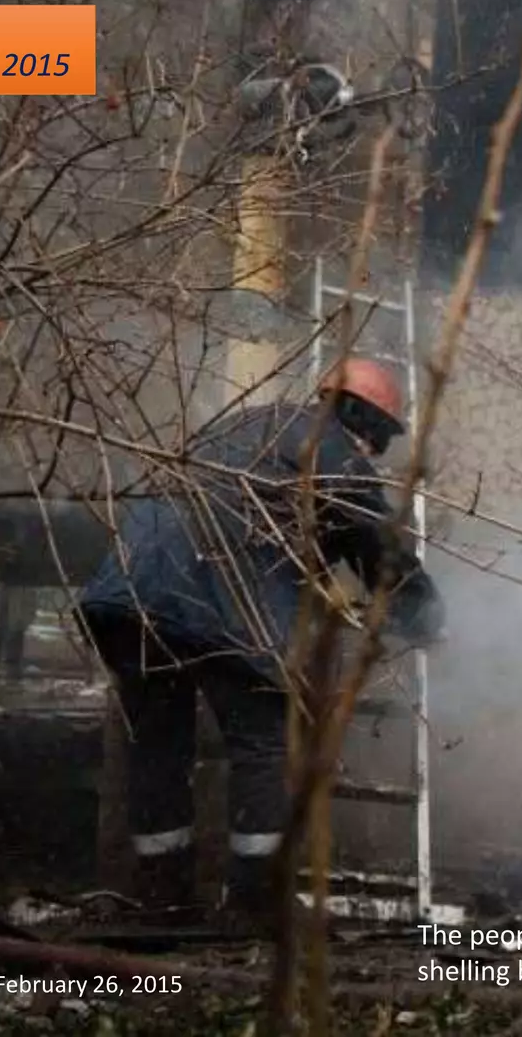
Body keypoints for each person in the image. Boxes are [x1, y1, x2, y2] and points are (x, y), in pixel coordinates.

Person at [74, 357, 444, 915]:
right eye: (381, 437)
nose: (376, 451)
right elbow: (375, 544)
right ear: (363, 422)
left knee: (157, 743)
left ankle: (161, 891)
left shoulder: (244, 426)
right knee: (265, 740)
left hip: (129, 590)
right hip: (210, 597)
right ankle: (253, 897)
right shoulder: (332, 448)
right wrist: (422, 613)